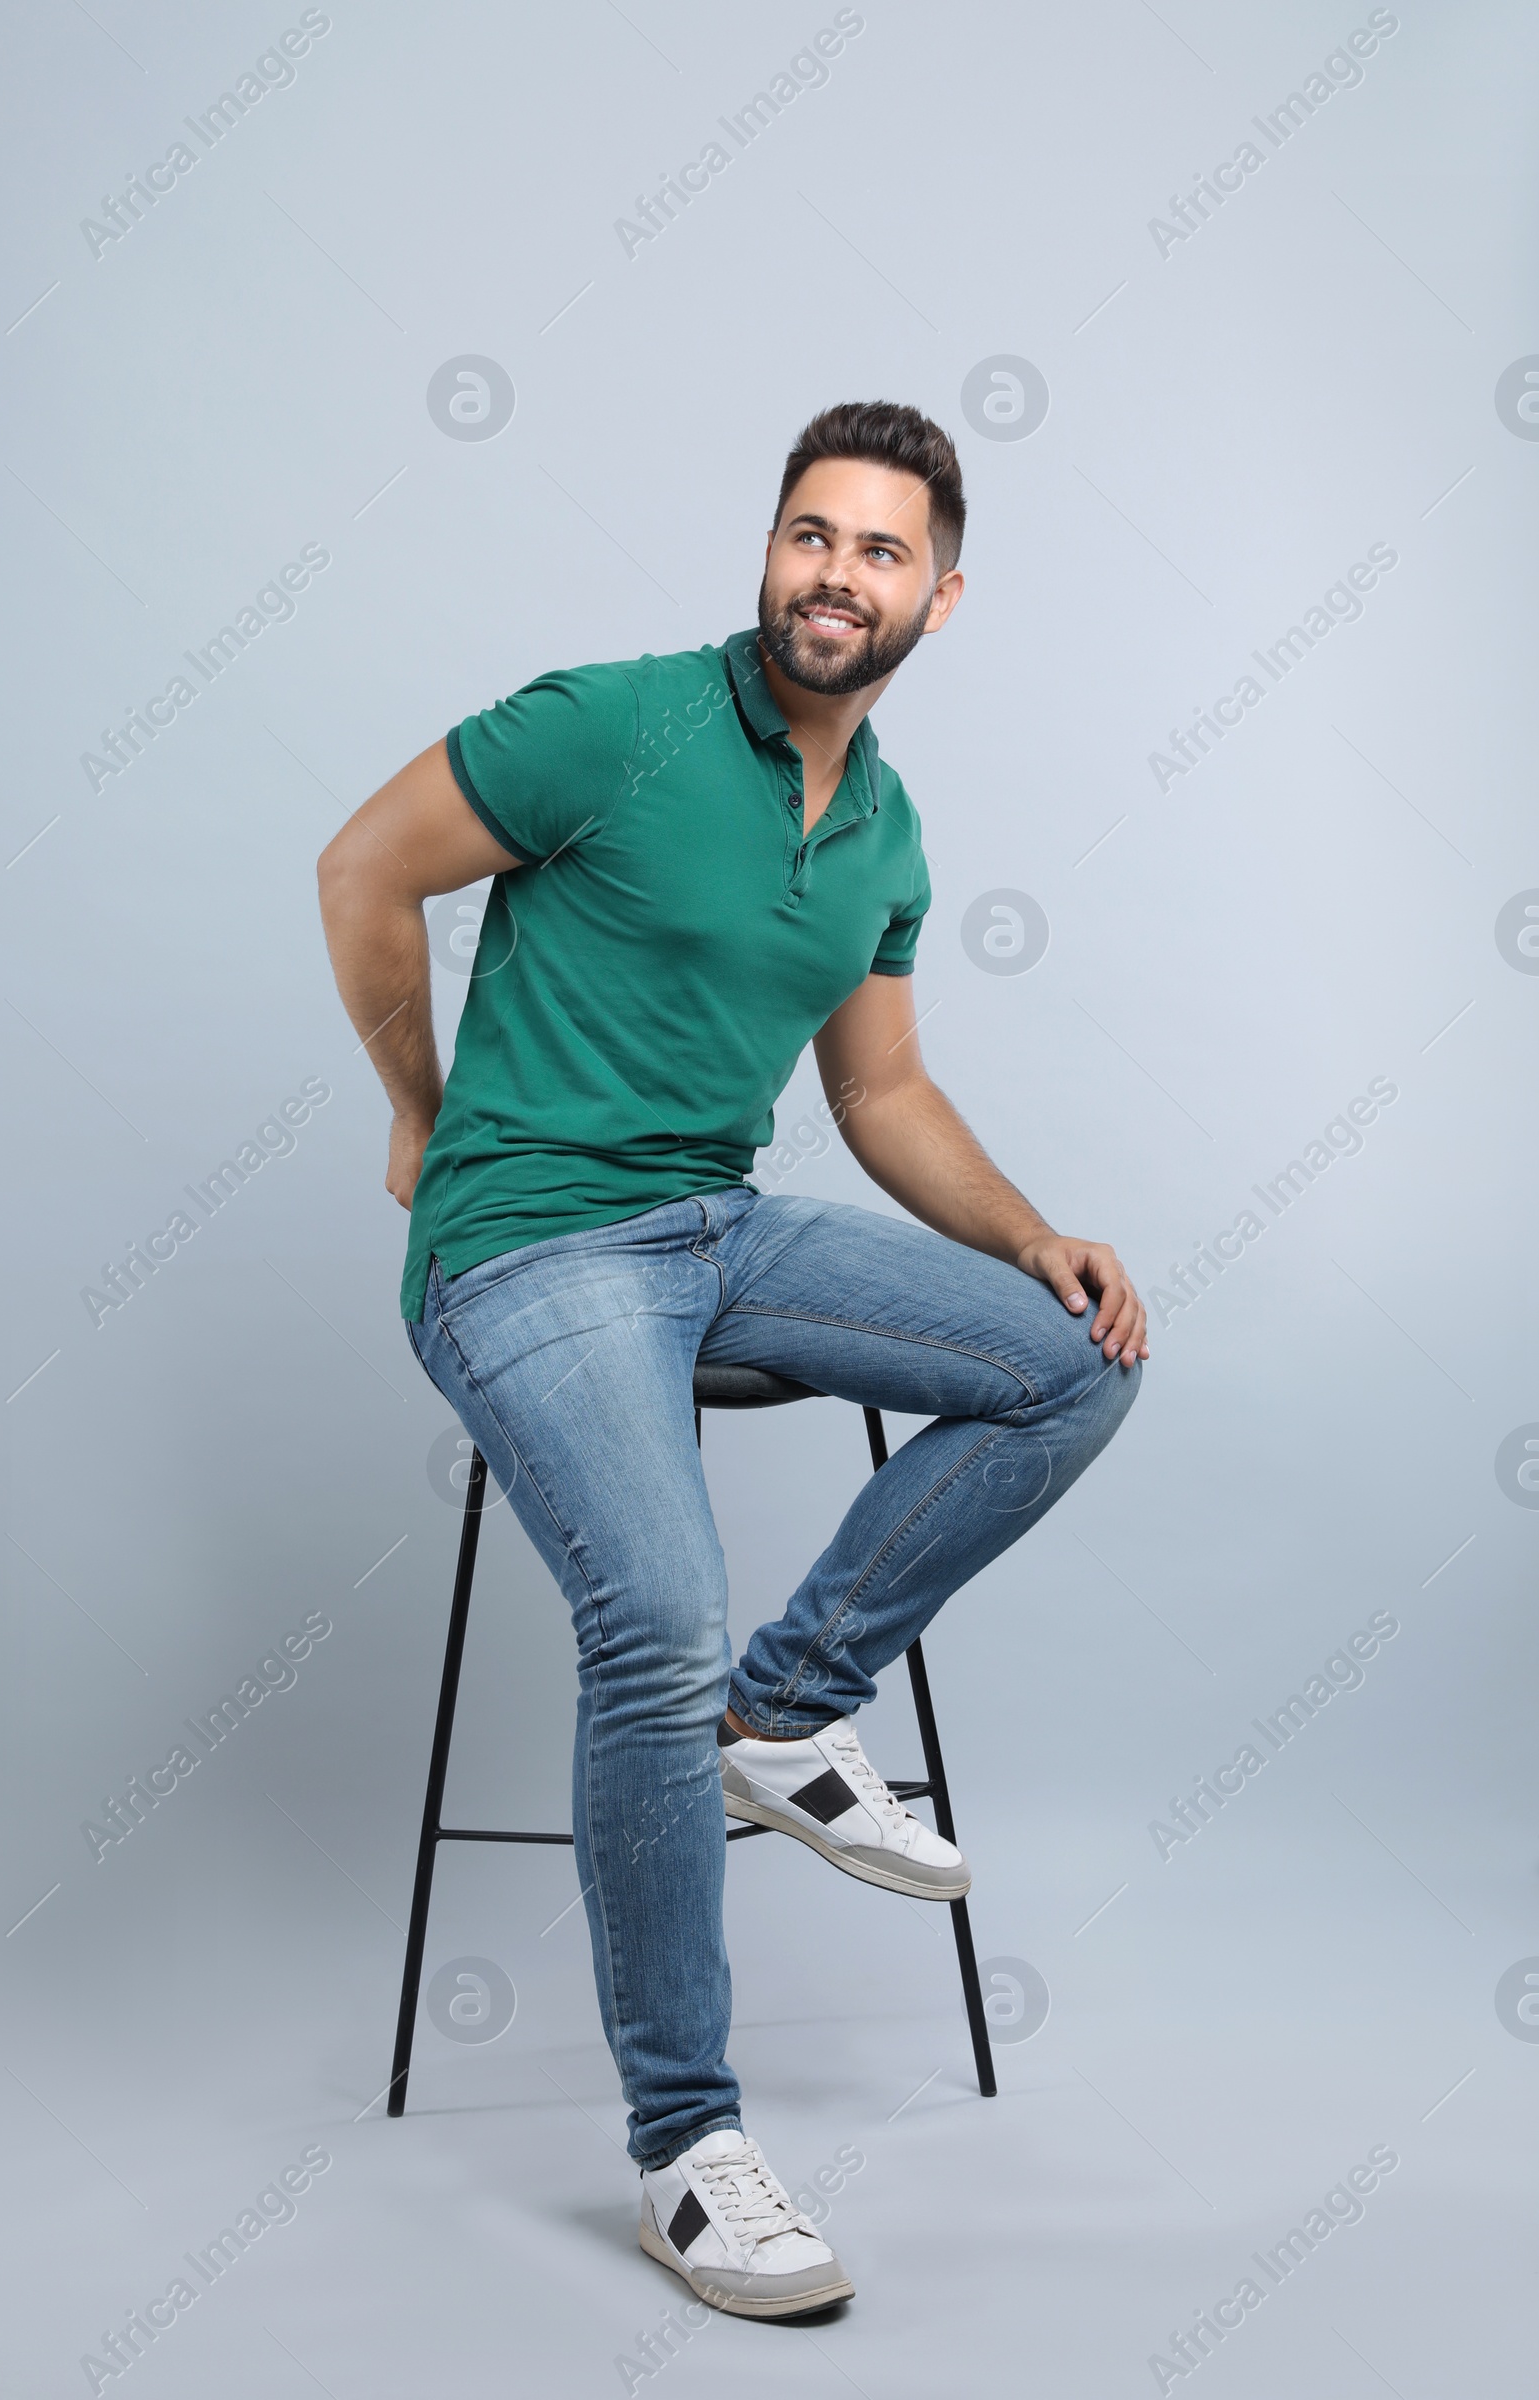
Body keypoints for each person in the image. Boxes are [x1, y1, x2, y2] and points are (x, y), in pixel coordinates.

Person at [318, 400, 1146, 2318]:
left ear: (942, 595)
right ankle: (688, 2146)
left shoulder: (884, 825)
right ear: (765, 550)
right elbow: (367, 868)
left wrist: (1031, 1240)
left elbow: (882, 1086)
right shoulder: (618, 720)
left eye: (875, 552)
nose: (830, 576)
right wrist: (417, 1114)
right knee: (653, 1619)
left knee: (1074, 1360)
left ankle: (782, 1717)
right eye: (805, 535)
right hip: (528, 1238)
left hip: (715, 1221)